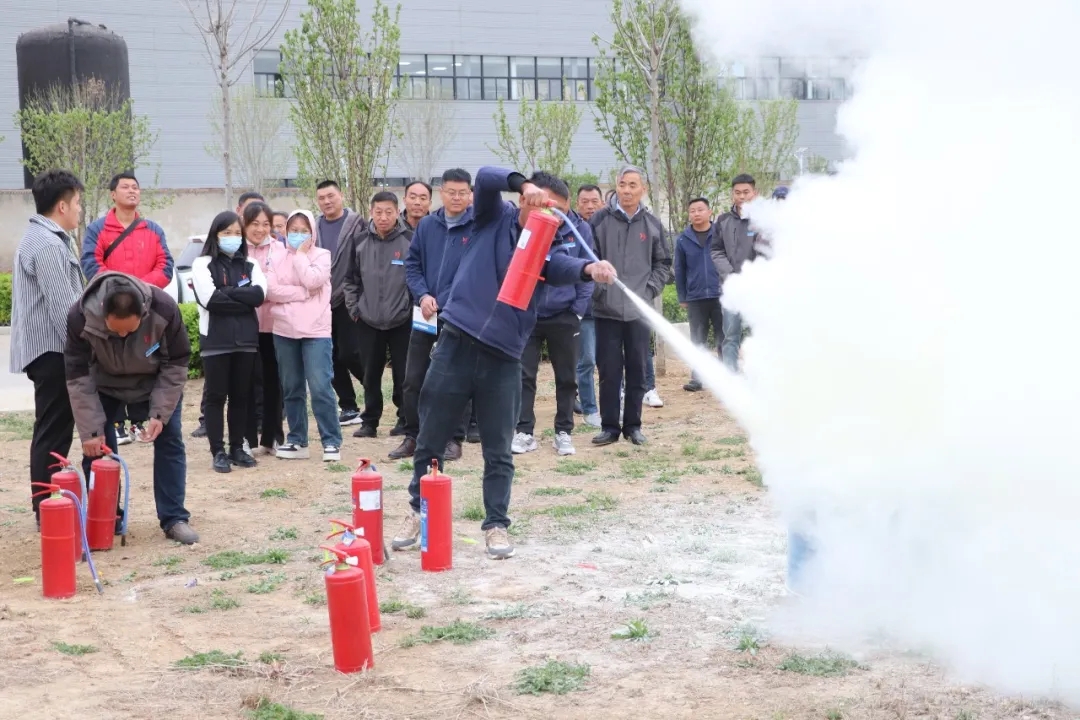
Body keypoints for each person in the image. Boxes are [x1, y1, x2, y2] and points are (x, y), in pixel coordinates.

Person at [392, 167, 617, 560]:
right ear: (529, 202)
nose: (557, 218)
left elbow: (557, 267)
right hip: (456, 342)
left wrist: (587, 269)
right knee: (431, 437)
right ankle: (417, 511)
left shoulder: (550, 240)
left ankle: (496, 525)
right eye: (549, 207)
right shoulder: (492, 218)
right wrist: (523, 184)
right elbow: (487, 176)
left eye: (562, 212)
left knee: (498, 449)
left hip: (504, 355)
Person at [66, 271, 197, 545]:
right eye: (116, 330)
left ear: (144, 313)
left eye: (131, 329)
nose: (123, 334)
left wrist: (159, 414)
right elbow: (78, 376)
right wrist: (90, 430)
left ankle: (174, 518)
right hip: (104, 385)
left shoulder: (164, 309)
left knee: (170, 439)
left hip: (152, 383)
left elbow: (177, 361)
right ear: (103, 313)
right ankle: (107, 517)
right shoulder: (79, 316)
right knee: (97, 449)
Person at [10, 170, 85, 523]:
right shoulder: (48, 244)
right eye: (78, 203)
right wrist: (83, 351)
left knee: (50, 428)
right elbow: (64, 309)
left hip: (48, 350)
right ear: (61, 205)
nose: (80, 210)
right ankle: (45, 507)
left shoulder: (41, 237)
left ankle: (46, 504)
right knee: (53, 430)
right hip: (54, 351)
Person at [81, 172, 175, 446]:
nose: (132, 191)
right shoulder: (98, 229)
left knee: (149, 363)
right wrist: (117, 291)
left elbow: (165, 266)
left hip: (147, 314)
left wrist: (140, 292)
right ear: (112, 194)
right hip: (110, 315)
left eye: (136, 187)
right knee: (109, 366)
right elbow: (91, 264)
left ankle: (143, 418)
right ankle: (116, 425)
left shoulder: (153, 230)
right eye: (125, 187)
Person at [392, 168, 476, 462]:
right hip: (425, 313)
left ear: (471, 194)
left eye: (462, 192)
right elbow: (412, 266)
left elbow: (475, 272)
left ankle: (454, 438)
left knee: (457, 378)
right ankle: (413, 434)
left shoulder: (477, 227)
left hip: (460, 316)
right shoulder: (428, 225)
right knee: (413, 376)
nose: (456, 197)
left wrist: (450, 300)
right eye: (451, 192)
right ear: (441, 193)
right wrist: (424, 295)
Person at [588, 166, 672, 447]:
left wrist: (648, 291)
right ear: (616, 186)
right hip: (606, 309)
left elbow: (663, 264)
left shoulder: (652, 225)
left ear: (643, 189)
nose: (626, 190)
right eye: (622, 184)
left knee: (637, 369)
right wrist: (599, 290)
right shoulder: (599, 221)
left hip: (639, 311)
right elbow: (586, 259)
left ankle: (633, 426)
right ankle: (609, 426)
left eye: (632, 185)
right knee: (609, 370)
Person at [513, 176, 594, 457]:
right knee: (524, 375)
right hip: (528, 315)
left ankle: (564, 431)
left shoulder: (580, 229)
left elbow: (587, 269)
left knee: (566, 376)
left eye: (557, 207)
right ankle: (524, 431)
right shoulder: (527, 227)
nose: (551, 214)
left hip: (565, 315)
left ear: (568, 203)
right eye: (545, 206)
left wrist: (577, 311)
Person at [190, 211, 267, 473]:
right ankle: (218, 451)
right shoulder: (203, 264)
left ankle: (237, 447)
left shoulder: (251, 265)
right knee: (215, 396)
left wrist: (228, 293)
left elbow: (258, 296)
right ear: (215, 235)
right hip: (216, 340)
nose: (233, 238)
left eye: (237, 233)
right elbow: (210, 300)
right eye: (226, 233)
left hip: (245, 340)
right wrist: (240, 298)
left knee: (240, 396)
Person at [267, 210, 342, 462]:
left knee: (321, 387)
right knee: (291, 387)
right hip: (284, 330)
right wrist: (300, 294)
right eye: (293, 230)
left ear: (313, 231)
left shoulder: (322, 255)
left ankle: (331, 440)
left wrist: (300, 255)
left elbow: (312, 280)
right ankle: (297, 440)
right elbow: (271, 290)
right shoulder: (276, 256)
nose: (298, 235)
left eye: (304, 230)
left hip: (316, 331)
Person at [341, 192, 414, 438]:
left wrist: (410, 308)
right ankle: (370, 421)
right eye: (378, 212)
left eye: (389, 212)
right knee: (370, 373)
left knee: (403, 373)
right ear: (371, 212)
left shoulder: (410, 240)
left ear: (397, 212)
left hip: (402, 319)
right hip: (368, 319)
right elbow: (350, 280)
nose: (383, 217)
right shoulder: (359, 240)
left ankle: (404, 418)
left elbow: (417, 279)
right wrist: (355, 308)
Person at [317, 180, 365, 427]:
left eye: (331, 196)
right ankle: (348, 406)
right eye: (322, 198)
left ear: (341, 195)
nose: (327, 201)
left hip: (347, 298)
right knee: (330, 355)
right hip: (320, 301)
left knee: (350, 352)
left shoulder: (356, 223)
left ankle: (374, 390)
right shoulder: (314, 226)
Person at [244, 202, 287, 455]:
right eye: (254, 224)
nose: (260, 229)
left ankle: (273, 436)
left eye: (265, 224)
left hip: (274, 325)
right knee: (246, 383)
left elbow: (279, 286)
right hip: (246, 325)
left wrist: (261, 290)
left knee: (274, 381)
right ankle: (248, 438)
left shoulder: (281, 250)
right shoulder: (238, 252)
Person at [713, 174, 763, 371]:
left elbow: (769, 252)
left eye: (746, 192)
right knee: (731, 335)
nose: (742, 196)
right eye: (737, 193)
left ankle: (758, 376)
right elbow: (716, 251)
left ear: (754, 193)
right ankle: (731, 379)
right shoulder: (723, 220)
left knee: (758, 335)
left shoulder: (763, 220)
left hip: (757, 288)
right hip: (731, 288)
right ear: (732, 194)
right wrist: (729, 275)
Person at [674, 197, 723, 392]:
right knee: (697, 339)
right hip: (695, 297)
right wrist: (682, 296)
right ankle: (698, 378)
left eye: (700, 209)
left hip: (721, 295)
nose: (696, 213)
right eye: (692, 210)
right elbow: (680, 269)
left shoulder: (720, 234)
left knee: (724, 338)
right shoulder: (683, 239)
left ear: (710, 212)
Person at [573, 184, 603, 428]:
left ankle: (613, 404)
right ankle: (589, 407)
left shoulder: (607, 228)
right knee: (586, 360)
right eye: (585, 201)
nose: (590, 206)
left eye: (594, 201)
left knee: (612, 360)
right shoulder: (572, 230)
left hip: (609, 306)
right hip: (584, 309)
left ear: (602, 203)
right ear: (577, 203)